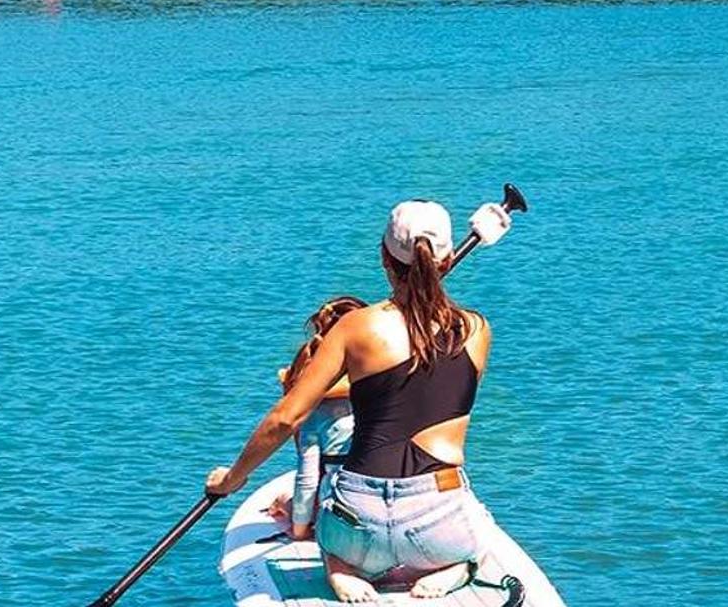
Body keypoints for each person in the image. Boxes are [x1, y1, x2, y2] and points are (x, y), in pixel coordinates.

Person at [207, 199, 510, 602]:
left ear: (384, 255)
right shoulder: (477, 330)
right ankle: (458, 566)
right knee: (478, 531)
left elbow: (285, 419)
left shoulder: (354, 329)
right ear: (448, 258)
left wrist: (233, 479)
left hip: (357, 521)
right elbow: (420, 378)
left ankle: (341, 567)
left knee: (336, 539)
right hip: (438, 520)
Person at [270, 295, 365, 541]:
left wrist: (299, 531)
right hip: (377, 503)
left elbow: (307, 481)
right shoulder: (379, 398)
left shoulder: (313, 413)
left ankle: (284, 504)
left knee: (308, 495)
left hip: (333, 509)